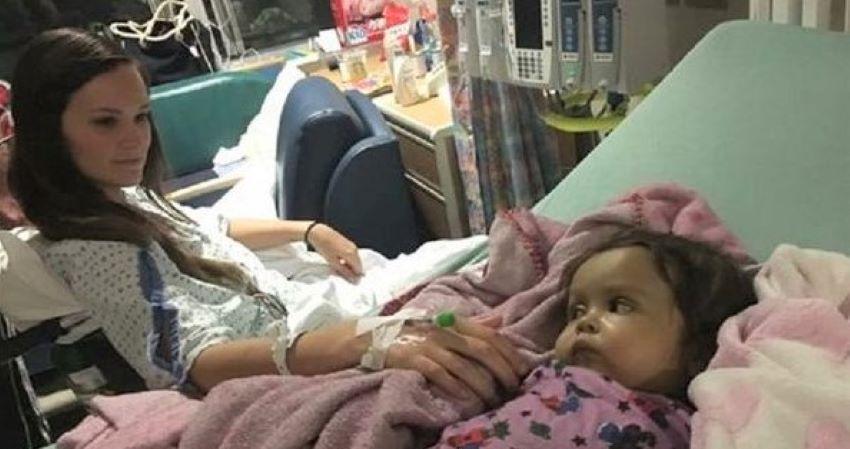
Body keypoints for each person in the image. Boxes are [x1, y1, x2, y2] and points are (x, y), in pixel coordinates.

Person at [7, 28, 528, 403]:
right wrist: (363, 342)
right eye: (106, 122)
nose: (135, 140)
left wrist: (309, 230)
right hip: (313, 343)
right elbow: (188, 360)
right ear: (48, 132)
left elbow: (211, 228)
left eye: (141, 117)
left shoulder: (123, 197)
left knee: (497, 253)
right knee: (506, 264)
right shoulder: (93, 249)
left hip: (316, 306)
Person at [411, 229, 757, 449]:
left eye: (619, 305)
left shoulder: (697, 435)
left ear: (697, 341)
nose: (585, 321)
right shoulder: (544, 376)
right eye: (576, 310)